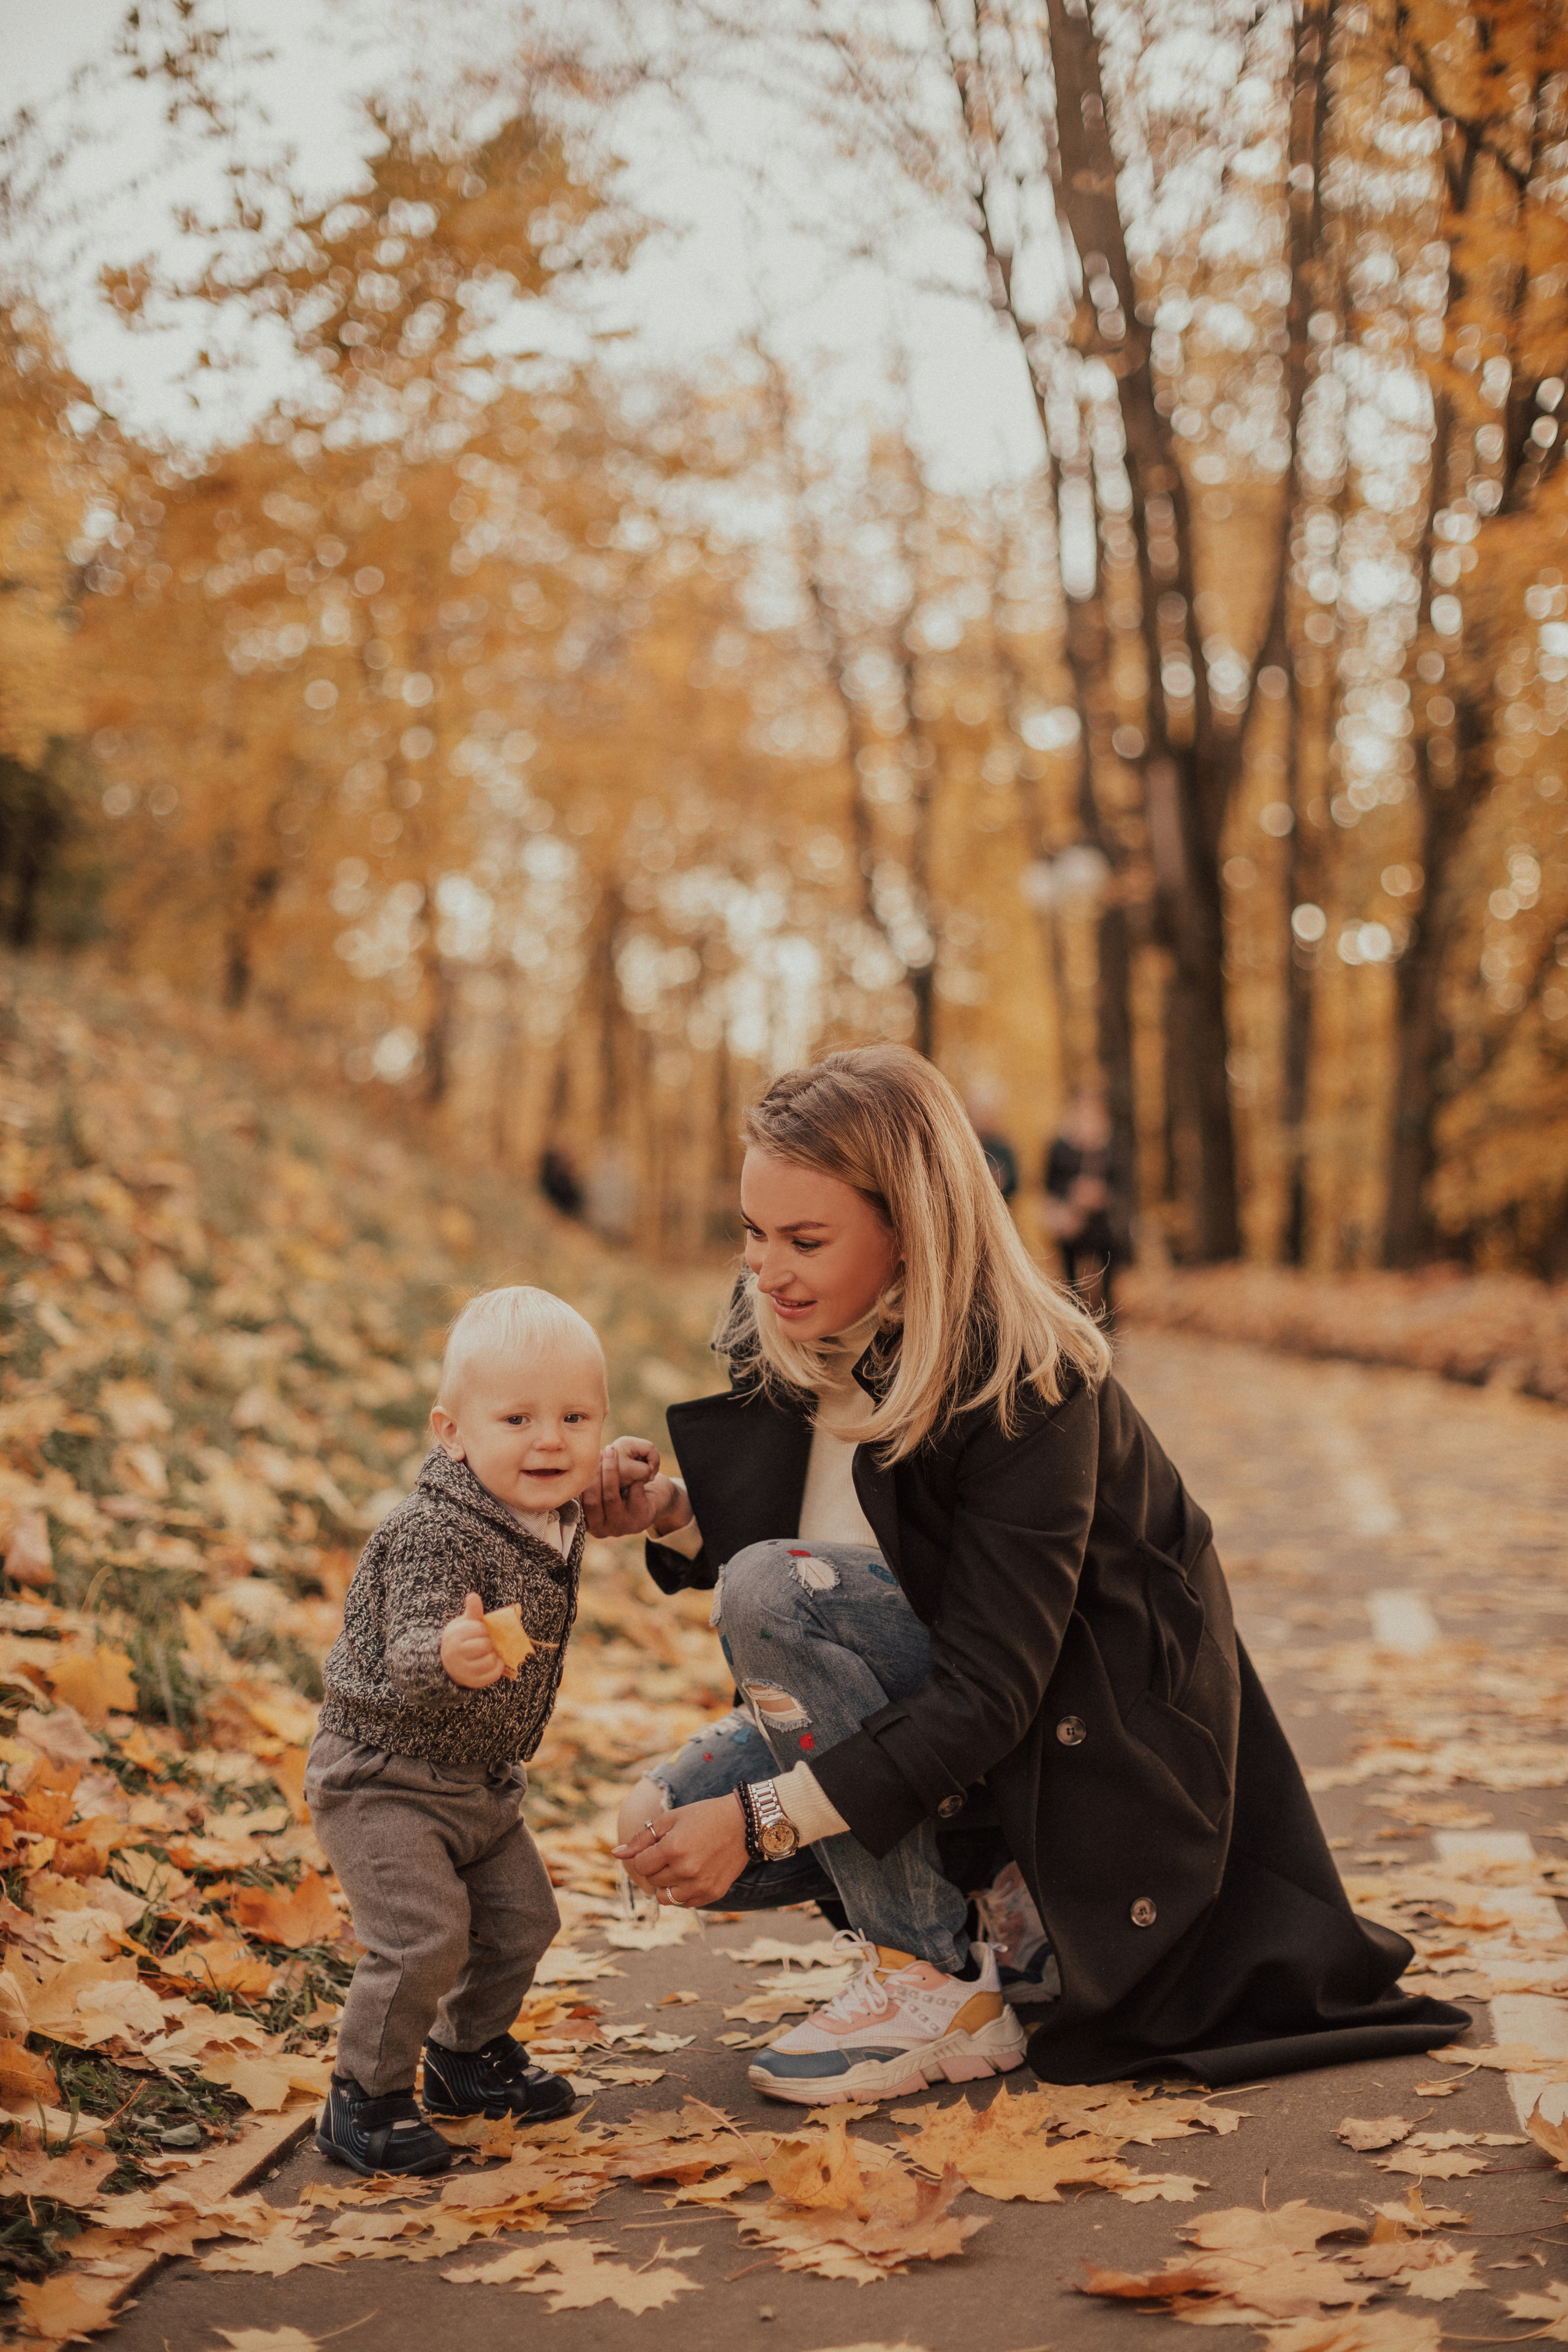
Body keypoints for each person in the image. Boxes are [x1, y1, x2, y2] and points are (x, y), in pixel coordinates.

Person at [584, 1046, 1466, 2107]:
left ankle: (934, 1978)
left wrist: (764, 1817)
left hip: (1078, 1747)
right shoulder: (788, 1320)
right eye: (754, 1233)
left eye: (805, 1240)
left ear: (912, 1227)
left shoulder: (1028, 1379)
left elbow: (984, 1684)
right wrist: (674, 1513)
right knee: (654, 1822)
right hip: (961, 1717)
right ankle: (1000, 1906)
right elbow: (841, 1555)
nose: (767, 1270)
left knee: (766, 1625)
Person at [306, 1286, 603, 2176]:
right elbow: (409, 1649)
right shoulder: (433, 1532)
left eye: (575, 1418)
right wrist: (448, 1652)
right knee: (422, 1938)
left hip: (479, 1780)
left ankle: (465, 2059)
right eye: (517, 1418)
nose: (549, 1441)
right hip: (384, 1777)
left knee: (524, 1920)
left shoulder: (545, 1507)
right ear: (453, 1433)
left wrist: (620, 1470)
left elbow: (586, 1489)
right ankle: (363, 2097)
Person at [1042, 1087, 1118, 1316]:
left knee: (1107, 1272)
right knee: (1071, 1281)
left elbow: (1120, 1184)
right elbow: (1049, 1185)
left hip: (1100, 1223)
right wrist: (1071, 1195)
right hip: (1069, 1222)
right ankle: (1076, 1321)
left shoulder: (1108, 1145)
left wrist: (1100, 1195)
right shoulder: (1060, 1146)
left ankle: (1107, 1321)